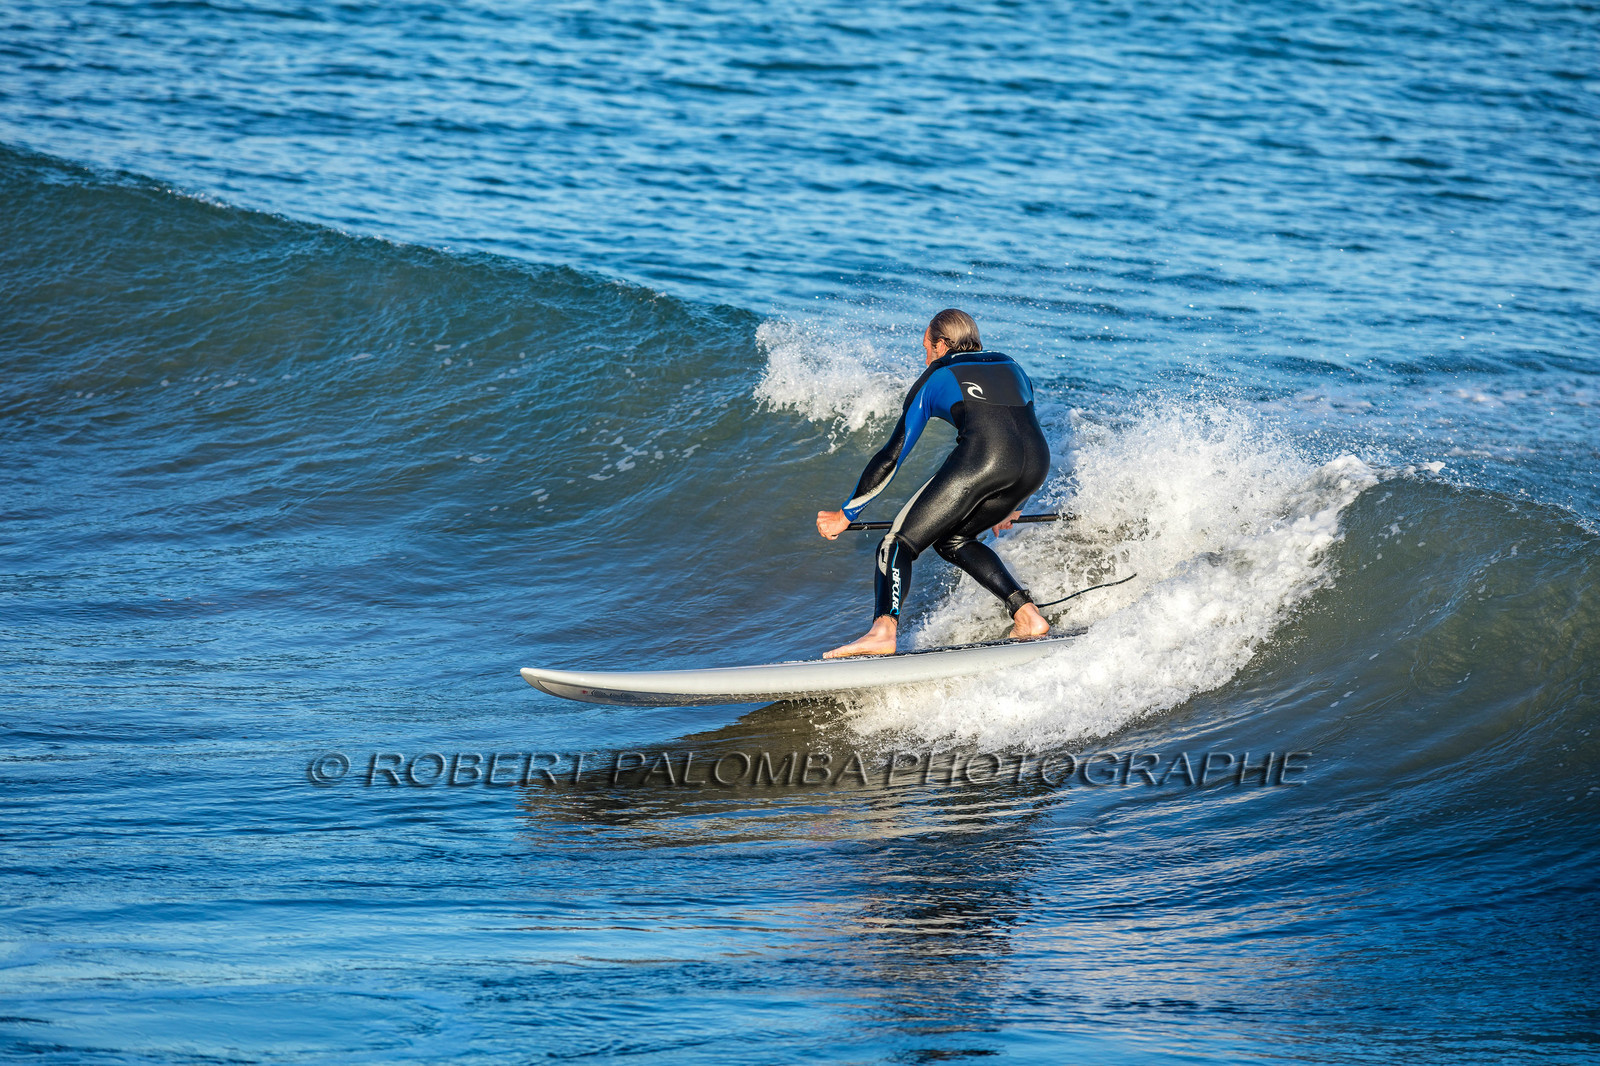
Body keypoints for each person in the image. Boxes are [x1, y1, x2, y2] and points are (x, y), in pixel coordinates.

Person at [816, 308, 1052, 657]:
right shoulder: (1011, 364)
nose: (925, 355)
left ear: (942, 345)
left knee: (896, 544)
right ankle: (1027, 614)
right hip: (1036, 464)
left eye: (926, 347)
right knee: (953, 540)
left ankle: (883, 631)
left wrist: (846, 514)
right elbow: (1017, 427)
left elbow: (891, 456)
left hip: (983, 459)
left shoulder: (937, 374)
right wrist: (1013, 505)